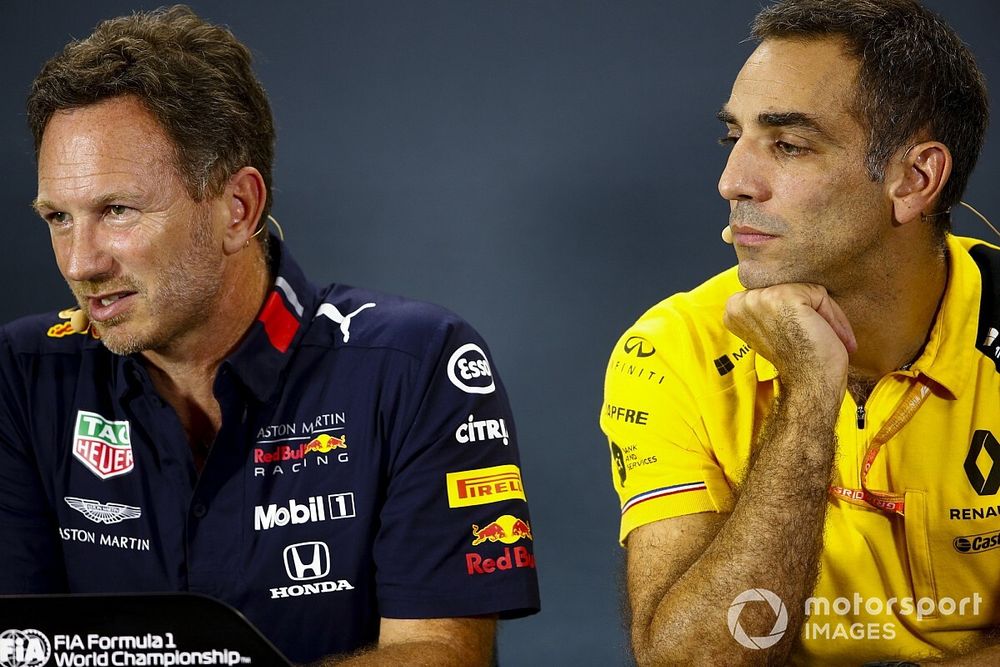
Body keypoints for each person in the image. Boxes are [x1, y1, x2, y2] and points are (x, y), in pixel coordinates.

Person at [0, 6, 539, 665]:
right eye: (58, 217)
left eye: (116, 210)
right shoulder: (22, 374)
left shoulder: (417, 366)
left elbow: (440, 654)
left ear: (238, 208)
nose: (81, 262)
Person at [601, 0, 998, 665]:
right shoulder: (673, 347)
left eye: (788, 144)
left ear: (915, 178)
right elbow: (693, 661)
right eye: (736, 138)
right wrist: (811, 388)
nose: (732, 182)